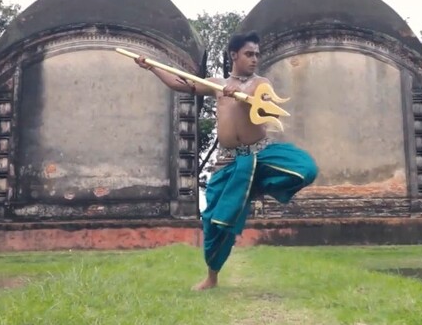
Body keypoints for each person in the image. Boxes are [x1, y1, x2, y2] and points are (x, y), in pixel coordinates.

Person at [135, 31, 318, 290]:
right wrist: (151, 66)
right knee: (213, 221)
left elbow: (262, 109)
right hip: (230, 163)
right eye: (249, 54)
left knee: (305, 168)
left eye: (257, 54)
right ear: (234, 55)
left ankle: (256, 187)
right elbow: (180, 83)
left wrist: (242, 100)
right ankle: (212, 277)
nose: (255, 59)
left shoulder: (260, 84)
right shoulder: (216, 84)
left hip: (259, 157)